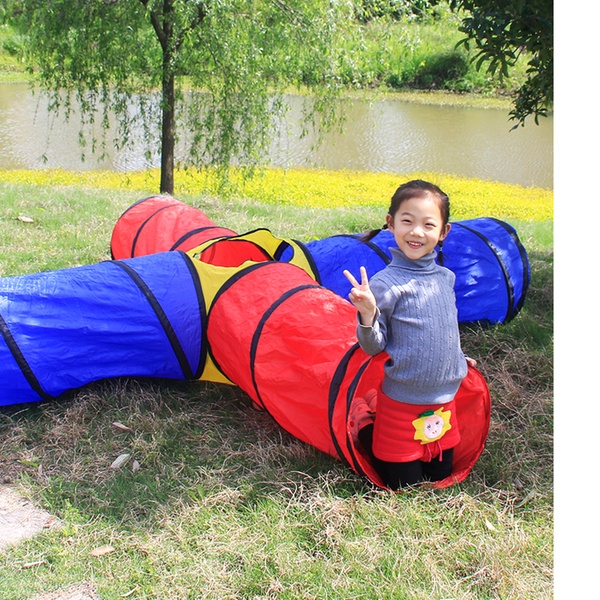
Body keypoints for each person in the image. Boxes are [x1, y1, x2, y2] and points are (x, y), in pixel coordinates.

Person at [343, 179, 477, 490]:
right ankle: (366, 422)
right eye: (407, 221)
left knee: (441, 477)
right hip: (402, 400)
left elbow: (444, 327)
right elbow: (374, 347)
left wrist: (457, 358)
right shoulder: (386, 283)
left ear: (443, 232)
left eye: (428, 224)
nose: (416, 232)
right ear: (391, 223)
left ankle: (383, 423)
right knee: (405, 486)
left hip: (445, 401)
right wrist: (366, 313)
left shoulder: (445, 278)